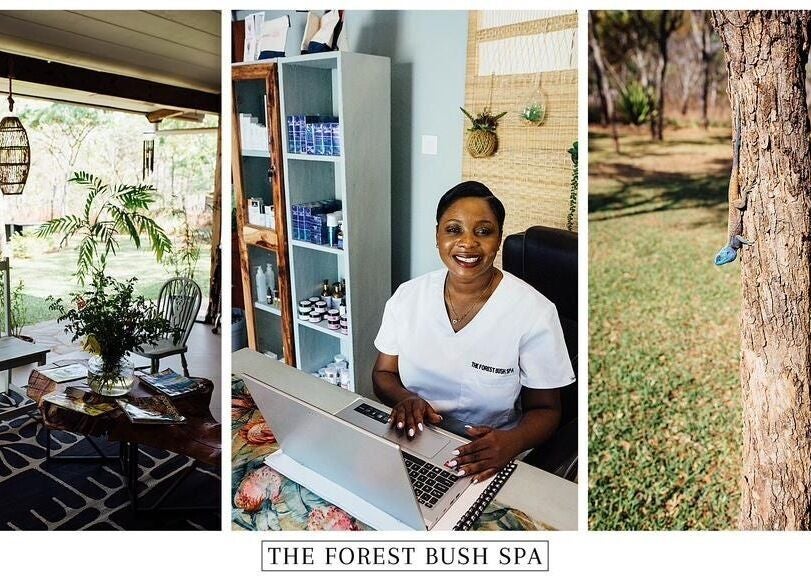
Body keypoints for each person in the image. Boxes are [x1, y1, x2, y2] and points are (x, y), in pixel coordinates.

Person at [372, 181, 575, 483]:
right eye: (454, 230)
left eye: (483, 231)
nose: (467, 243)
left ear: (499, 239)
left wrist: (512, 442)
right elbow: (383, 373)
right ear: (437, 236)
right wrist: (405, 398)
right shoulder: (408, 296)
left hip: (491, 454)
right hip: (416, 439)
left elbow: (546, 409)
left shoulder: (534, 313)